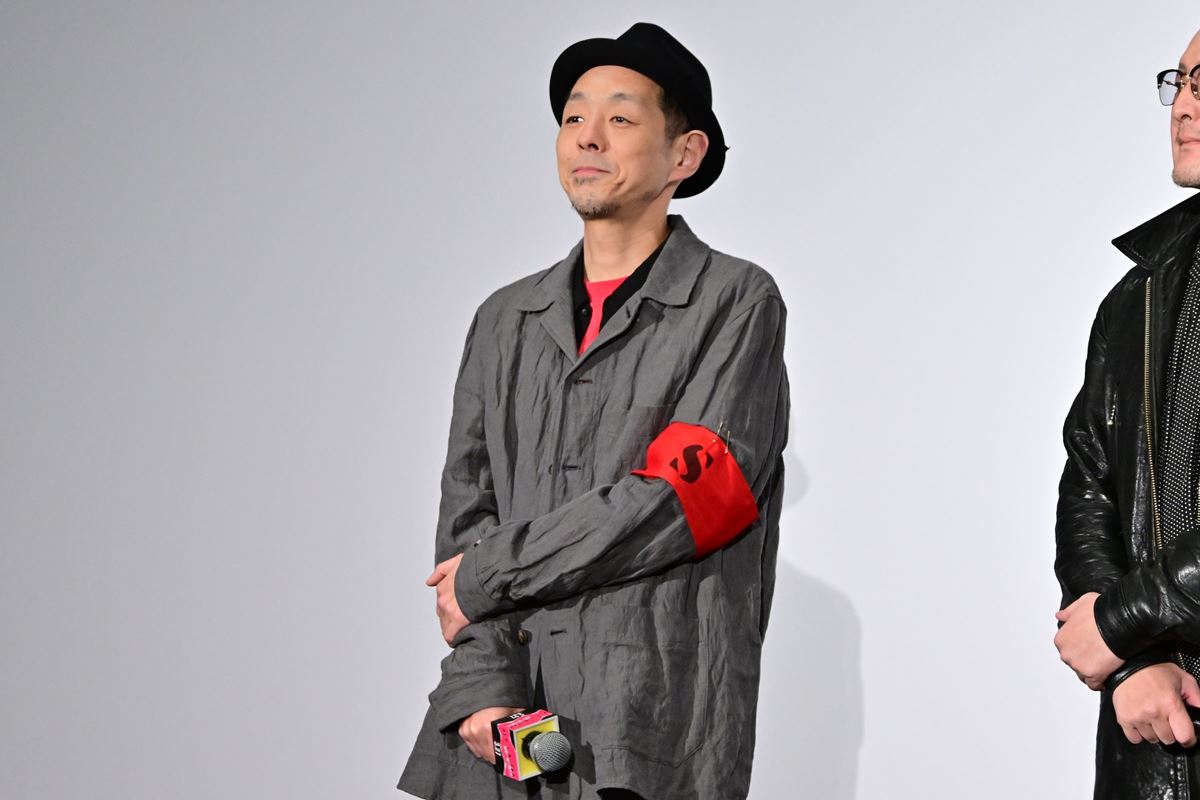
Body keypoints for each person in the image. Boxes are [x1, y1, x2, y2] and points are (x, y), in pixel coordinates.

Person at [396, 22, 789, 800]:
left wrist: (493, 572)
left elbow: (687, 498)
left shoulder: (735, 300)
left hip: (647, 727)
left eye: (620, 117)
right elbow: (467, 514)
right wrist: (482, 682)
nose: (587, 137)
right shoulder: (505, 318)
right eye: (573, 116)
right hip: (507, 727)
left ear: (684, 154)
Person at [1052, 28, 1200, 800]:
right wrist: (1136, 663)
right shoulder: (1138, 292)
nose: (1184, 106)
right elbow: (1089, 480)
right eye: (1180, 82)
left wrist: (1120, 622)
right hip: (1154, 727)